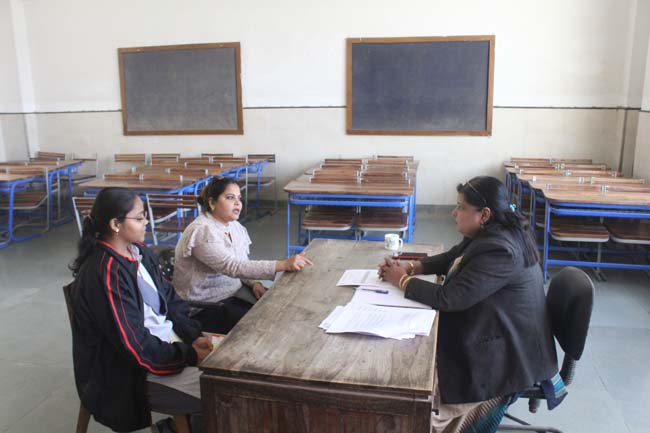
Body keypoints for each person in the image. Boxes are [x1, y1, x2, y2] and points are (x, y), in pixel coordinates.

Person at [378, 176, 558, 433]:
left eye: (461, 207)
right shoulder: (490, 233)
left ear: (484, 214)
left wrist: (402, 280)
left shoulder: (500, 250)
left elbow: (448, 298)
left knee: (419, 412)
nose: (454, 213)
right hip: (498, 331)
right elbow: (453, 257)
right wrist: (411, 266)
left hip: (509, 355)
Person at [69, 187, 210, 433]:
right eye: (139, 217)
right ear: (115, 224)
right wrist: (188, 355)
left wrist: (193, 336)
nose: (146, 221)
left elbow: (170, 299)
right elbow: (135, 346)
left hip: (166, 347)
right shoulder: (105, 273)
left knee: (237, 373)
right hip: (130, 373)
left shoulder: (139, 252)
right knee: (227, 389)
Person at [174, 176, 313, 333]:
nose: (238, 203)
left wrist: (254, 283)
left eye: (239, 198)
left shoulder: (233, 225)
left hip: (233, 295)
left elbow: (241, 261)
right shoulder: (202, 231)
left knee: (281, 309)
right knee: (265, 326)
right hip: (204, 307)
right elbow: (232, 266)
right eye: (230, 198)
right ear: (212, 203)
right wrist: (282, 264)